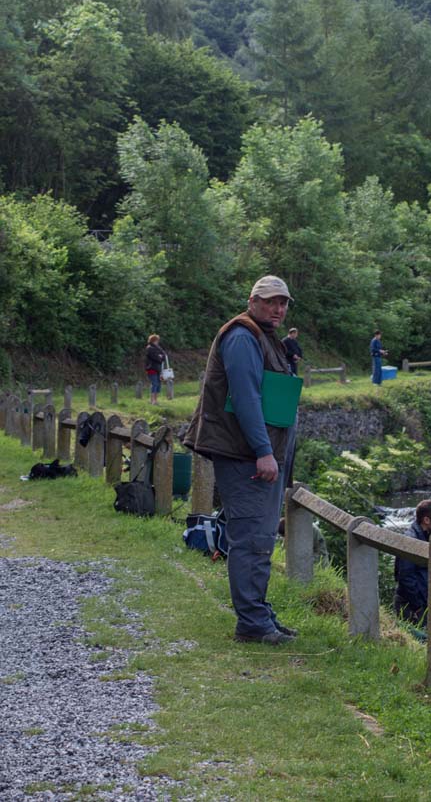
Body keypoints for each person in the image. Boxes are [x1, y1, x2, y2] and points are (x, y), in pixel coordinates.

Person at [183, 275, 298, 646]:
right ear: (253, 301)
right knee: (251, 539)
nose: (277, 308)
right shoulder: (242, 337)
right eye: (270, 301)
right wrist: (264, 452)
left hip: (259, 455)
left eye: (282, 302)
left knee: (261, 538)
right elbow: (247, 399)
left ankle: (258, 613)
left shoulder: (264, 336)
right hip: (246, 456)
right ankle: (251, 623)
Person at [393, 499, 431, 626]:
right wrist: (419, 607)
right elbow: (405, 578)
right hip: (411, 607)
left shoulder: (427, 536)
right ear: (426, 520)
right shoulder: (411, 540)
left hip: (420, 604)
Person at [145, 334, 166, 405]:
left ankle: (156, 400)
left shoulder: (158, 348)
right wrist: (159, 357)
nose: (158, 341)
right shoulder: (149, 348)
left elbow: (164, 355)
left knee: (159, 384)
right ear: (153, 340)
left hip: (158, 369)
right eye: (157, 340)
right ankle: (152, 400)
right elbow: (156, 358)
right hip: (151, 368)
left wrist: (160, 356)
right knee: (154, 384)